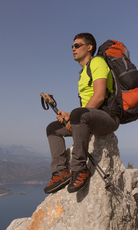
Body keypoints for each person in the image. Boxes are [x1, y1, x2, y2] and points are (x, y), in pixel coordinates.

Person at [44, 33, 120, 194]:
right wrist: (69, 115)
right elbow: (86, 107)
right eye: (72, 46)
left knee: (78, 115)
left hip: (108, 118)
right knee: (52, 129)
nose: (73, 49)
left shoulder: (97, 63)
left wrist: (74, 117)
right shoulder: (83, 72)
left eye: (77, 45)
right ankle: (60, 172)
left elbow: (99, 97)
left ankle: (79, 169)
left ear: (89, 47)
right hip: (90, 118)